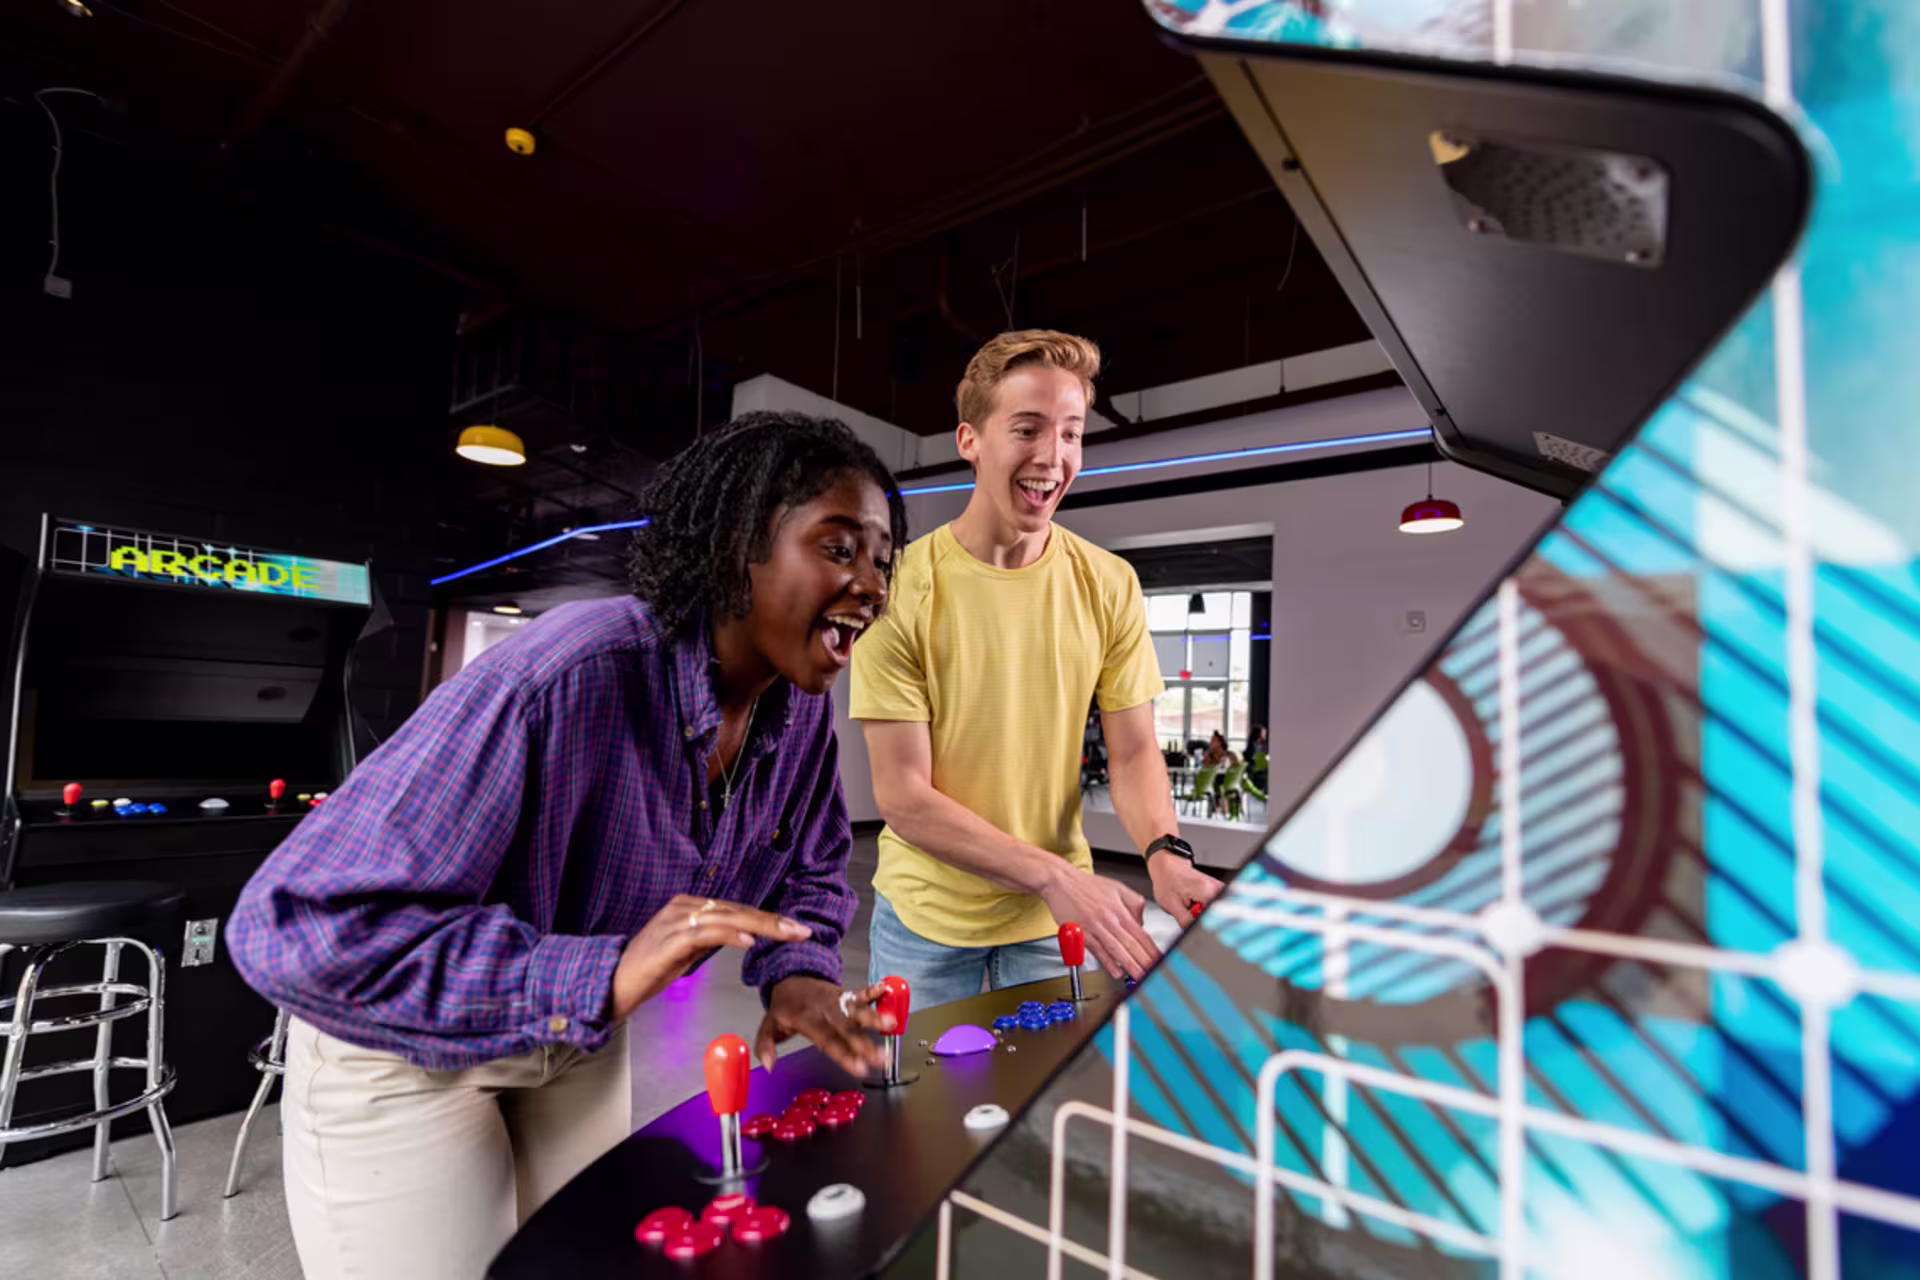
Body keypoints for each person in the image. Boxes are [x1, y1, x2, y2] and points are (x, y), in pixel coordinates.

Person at [226, 411, 907, 1280]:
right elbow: (294, 925)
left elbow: (810, 867)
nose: (872, 586)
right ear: (740, 545)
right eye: (840, 549)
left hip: (578, 1035)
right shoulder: (571, 673)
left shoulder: (799, 711)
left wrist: (799, 974)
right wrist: (600, 973)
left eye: (884, 562)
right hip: (407, 1050)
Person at [853, 329, 1223, 1006]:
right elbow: (904, 797)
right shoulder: (899, 588)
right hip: (925, 921)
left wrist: (1166, 854)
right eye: (1027, 429)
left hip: (1054, 923)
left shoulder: (1108, 582)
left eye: (1071, 433)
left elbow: (1134, 751)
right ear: (970, 440)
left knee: (1055, 1076)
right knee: (918, 1081)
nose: (1053, 457)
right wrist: (1054, 876)